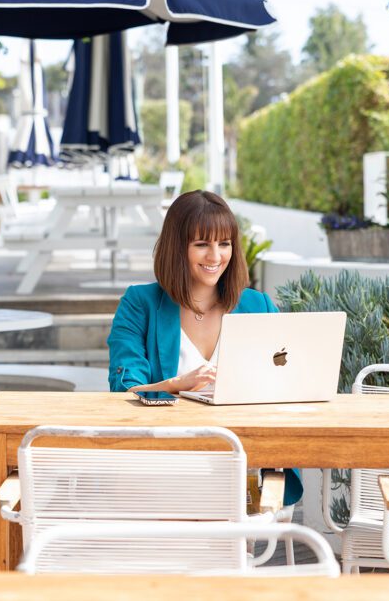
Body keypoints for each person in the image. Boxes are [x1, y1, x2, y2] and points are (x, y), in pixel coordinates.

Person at [107, 189, 302, 505]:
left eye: (224, 244)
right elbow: (124, 390)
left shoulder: (258, 305)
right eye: (201, 244)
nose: (215, 257)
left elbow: (285, 386)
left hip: (242, 463)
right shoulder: (140, 304)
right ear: (177, 248)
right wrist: (175, 385)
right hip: (161, 463)